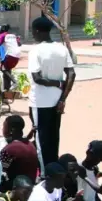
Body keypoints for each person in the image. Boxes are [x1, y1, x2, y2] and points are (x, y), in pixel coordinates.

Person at [27, 16, 75, 167]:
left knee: (41, 140)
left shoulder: (35, 51)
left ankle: (45, 175)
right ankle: (54, 169)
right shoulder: (62, 49)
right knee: (54, 138)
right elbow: (72, 74)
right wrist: (63, 99)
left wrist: (57, 82)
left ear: (37, 31)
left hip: (40, 102)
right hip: (57, 102)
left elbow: (37, 78)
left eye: (32, 31)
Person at [0, 114, 39, 183]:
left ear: (11, 130)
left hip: (16, 188)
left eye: (4, 126)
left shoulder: (9, 149)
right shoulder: (30, 144)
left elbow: (0, 171)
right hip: (30, 184)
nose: (2, 129)